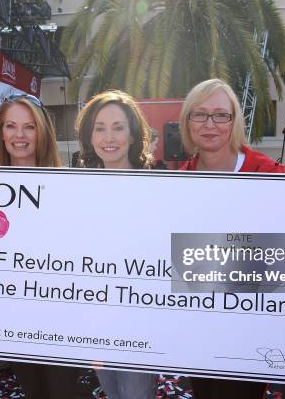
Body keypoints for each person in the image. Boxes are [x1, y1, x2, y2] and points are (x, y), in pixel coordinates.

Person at [177, 78, 285, 398]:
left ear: (235, 122)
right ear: (187, 123)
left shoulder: (268, 175)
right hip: (199, 330)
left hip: (250, 331)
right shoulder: (179, 180)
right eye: (199, 114)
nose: (210, 124)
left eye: (220, 115)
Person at [0, 94, 85, 398]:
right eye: (11, 126)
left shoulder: (67, 184)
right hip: (16, 317)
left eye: (29, 127)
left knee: (62, 393)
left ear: (42, 131)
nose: (19, 136)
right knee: (34, 392)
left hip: (61, 316)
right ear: (1, 132)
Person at [75, 90, 156, 398]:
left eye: (118, 127)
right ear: (90, 137)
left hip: (141, 319)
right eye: (100, 128)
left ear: (133, 136)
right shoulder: (77, 192)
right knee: (112, 392)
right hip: (97, 319)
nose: (109, 137)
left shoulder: (160, 190)